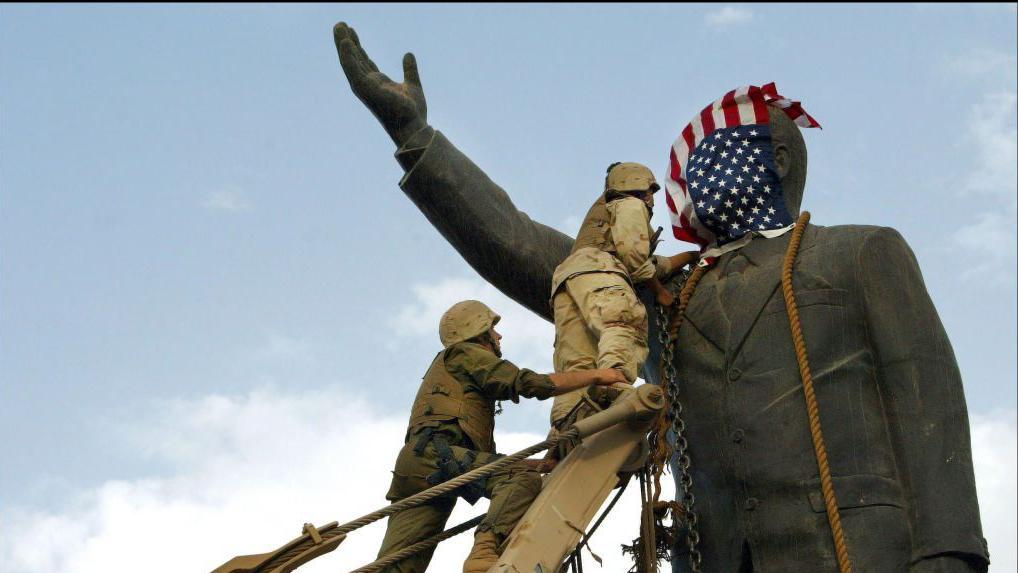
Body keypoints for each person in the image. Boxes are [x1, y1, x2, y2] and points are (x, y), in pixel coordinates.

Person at [333, 25, 988, 572]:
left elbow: (928, 408)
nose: (692, 175)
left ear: (779, 159)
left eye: (720, 151)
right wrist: (413, 136)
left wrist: (950, 553)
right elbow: (521, 244)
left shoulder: (861, 253)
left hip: (862, 555)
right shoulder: (664, 292)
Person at [377, 300, 626, 573]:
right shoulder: (465, 353)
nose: (499, 336)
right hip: (439, 457)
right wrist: (598, 375)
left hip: (417, 467)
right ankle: (484, 550)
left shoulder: (449, 371)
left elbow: (486, 461)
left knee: (399, 563)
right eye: (492, 330)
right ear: (479, 334)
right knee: (520, 479)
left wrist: (538, 464)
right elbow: (529, 383)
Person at [550, 162, 696, 426]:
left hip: (568, 281)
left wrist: (689, 256)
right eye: (649, 190)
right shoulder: (629, 204)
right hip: (601, 270)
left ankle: (567, 422)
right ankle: (614, 383)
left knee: (579, 360)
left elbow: (651, 264)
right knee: (623, 320)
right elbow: (634, 256)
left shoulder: (604, 217)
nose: (652, 197)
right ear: (637, 187)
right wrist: (660, 292)